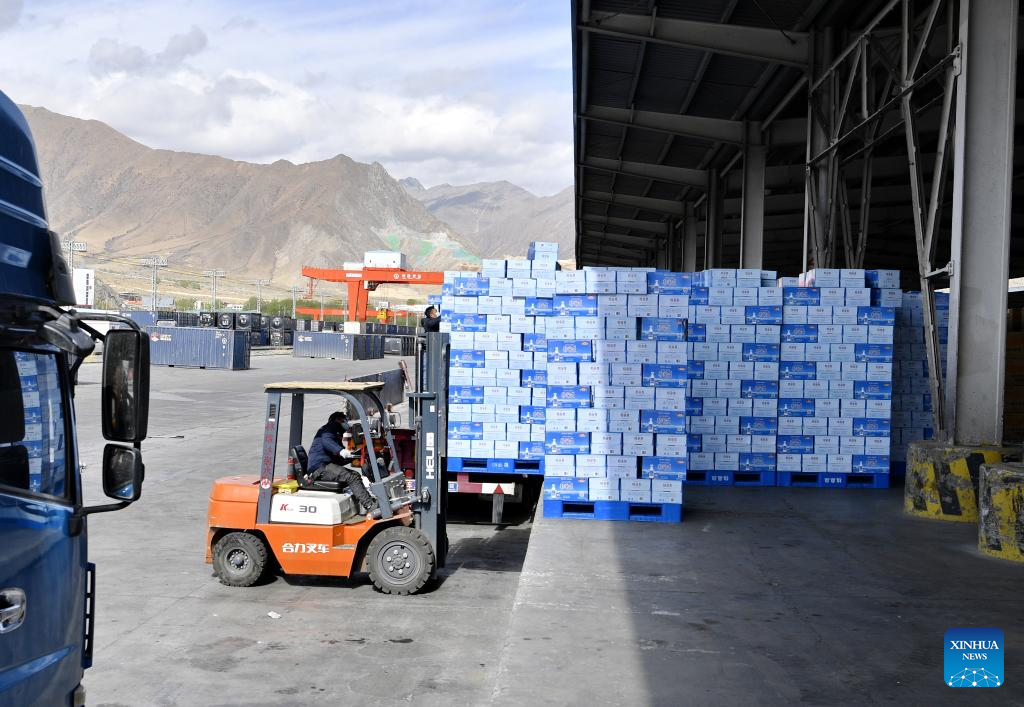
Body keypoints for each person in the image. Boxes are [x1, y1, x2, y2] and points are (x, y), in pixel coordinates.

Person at [305, 411, 379, 515]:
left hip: (325, 466)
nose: (346, 423)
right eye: (345, 420)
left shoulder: (336, 434)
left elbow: (338, 460)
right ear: (338, 420)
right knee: (352, 476)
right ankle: (370, 506)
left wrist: (353, 456)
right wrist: (341, 451)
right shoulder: (329, 428)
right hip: (320, 468)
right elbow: (327, 441)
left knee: (355, 475)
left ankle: (369, 501)